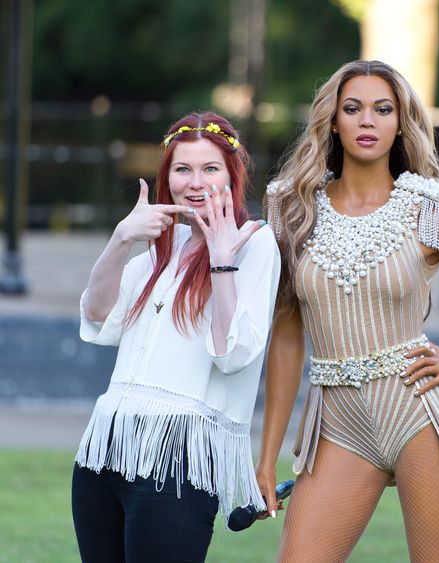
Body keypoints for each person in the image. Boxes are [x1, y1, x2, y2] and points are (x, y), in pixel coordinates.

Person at [256, 59, 439, 563]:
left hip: (422, 416)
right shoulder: (291, 208)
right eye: (352, 109)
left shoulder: (427, 208)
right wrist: (266, 457)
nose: (367, 121)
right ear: (333, 120)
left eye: (382, 109)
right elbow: (286, 337)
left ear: (400, 122)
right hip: (336, 422)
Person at [71, 111, 280, 562]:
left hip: (178, 461)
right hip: (105, 451)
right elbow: (96, 315)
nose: (194, 181)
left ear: (232, 174)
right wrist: (121, 239)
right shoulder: (162, 247)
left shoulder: (255, 243)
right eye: (183, 169)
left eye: (210, 168)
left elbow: (233, 353)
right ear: (167, 177)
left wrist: (222, 262)